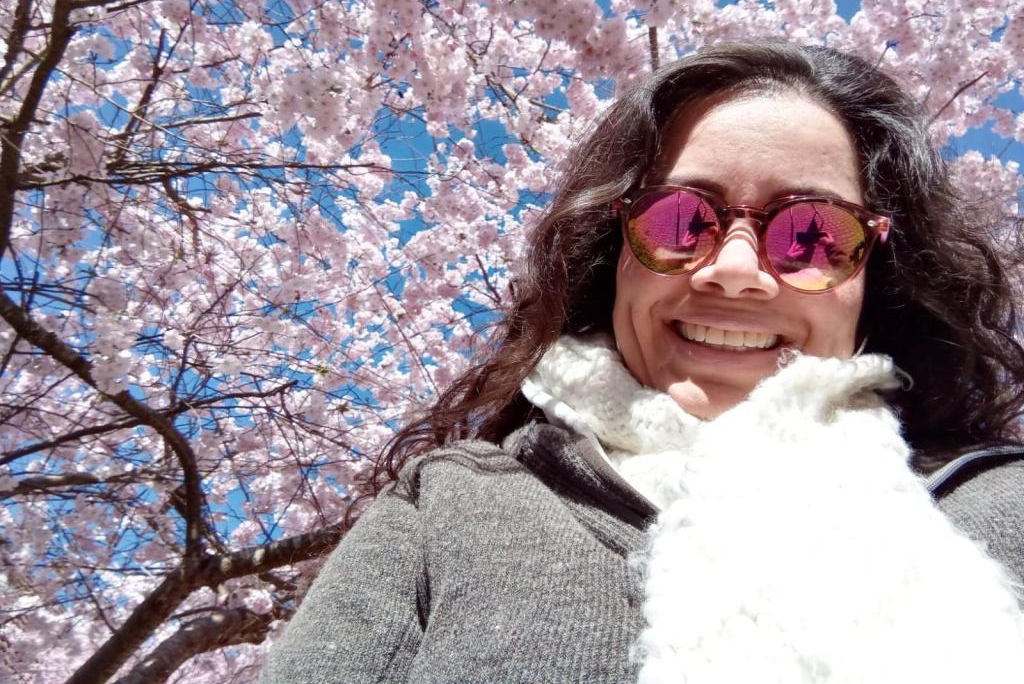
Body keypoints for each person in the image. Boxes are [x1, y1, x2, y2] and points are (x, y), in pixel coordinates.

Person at [260, 41, 1024, 683]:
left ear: (874, 277)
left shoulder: (1004, 503)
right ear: (612, 249)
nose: (735, 269)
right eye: (681, 220)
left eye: (812, 235)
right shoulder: (451, 506)